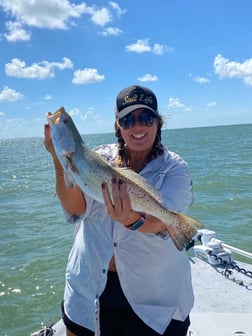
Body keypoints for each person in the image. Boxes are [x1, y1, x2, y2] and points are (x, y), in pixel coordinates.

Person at [44, 85, 194, 336]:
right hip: (90, 287)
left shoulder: (175, 168)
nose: (137, 127)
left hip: (154, 298)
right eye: (128, 119)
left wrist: (133, 220)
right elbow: (75, 207)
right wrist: (58, 160)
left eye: (146, 117)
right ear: (118, 125)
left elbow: (162, 223)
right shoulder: (96, 157)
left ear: (158, 123)